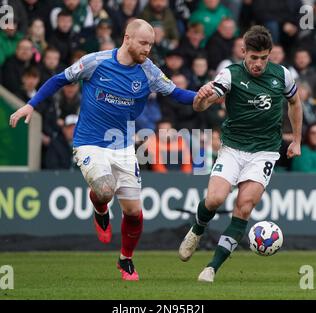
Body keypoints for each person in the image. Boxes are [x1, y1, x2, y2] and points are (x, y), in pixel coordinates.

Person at [9, 19, 196, 281]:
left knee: (133, 212)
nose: (147, 49)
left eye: (151, 45)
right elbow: (59, 79)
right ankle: (100, 209)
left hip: (123, 146)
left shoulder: (149, 71)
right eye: (143, 43)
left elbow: (176, 93)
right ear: (127, 38)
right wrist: (31, 105)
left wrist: (203, 96)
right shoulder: (95, 61)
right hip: (90, 142)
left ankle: (125, 260)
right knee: (105, 189)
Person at [178, 25, 303, 282]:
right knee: (214, 200)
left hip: (264, 153)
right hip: (233, 148)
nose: (258, 63)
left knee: (244, 208)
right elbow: (204, 105)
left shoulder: (282, 75)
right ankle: (197, 229)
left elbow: (295, 102)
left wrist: (297, 140)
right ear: (243, 52)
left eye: (264, 58)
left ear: (270, 55)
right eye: (253, 57)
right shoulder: (230, 74)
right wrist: (201, 98)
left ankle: (211, 267)